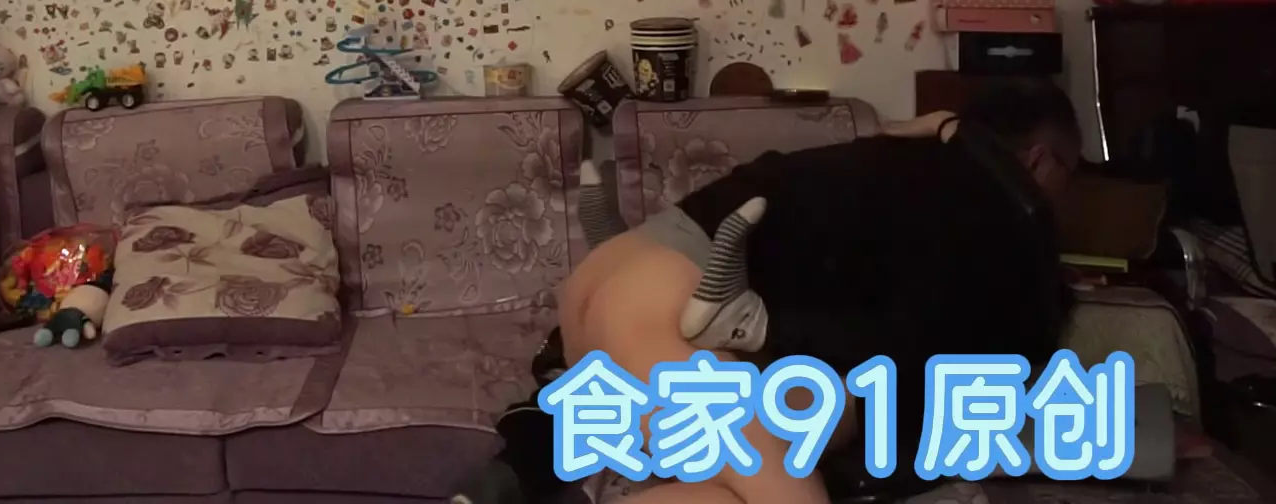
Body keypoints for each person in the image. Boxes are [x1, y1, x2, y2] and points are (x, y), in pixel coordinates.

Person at [454, 79, 1082, 504]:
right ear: (1038, 162)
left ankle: (511, 474)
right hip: (664, 306)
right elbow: (1013, 342)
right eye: (1070, 175)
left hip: (602, 299)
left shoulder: (894, 153)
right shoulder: (1001, 212)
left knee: (736, 486)